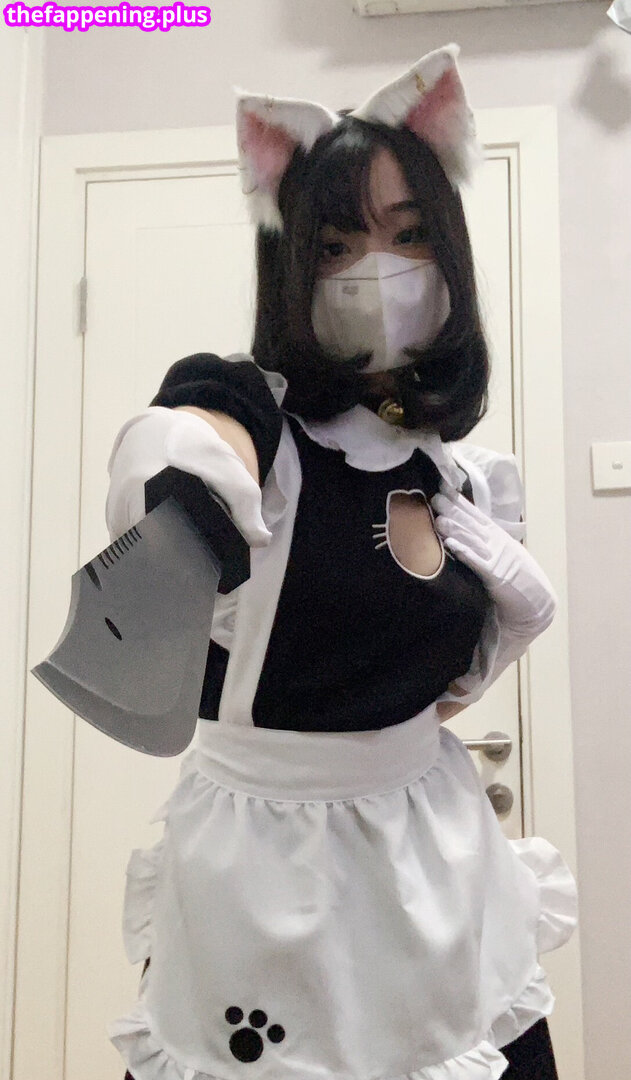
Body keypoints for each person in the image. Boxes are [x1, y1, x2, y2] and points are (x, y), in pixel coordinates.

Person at [106, 43, 578, 1080]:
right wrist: (184, 454)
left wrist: (494, 637)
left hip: (438, 859)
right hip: (266, 877)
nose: (379, 267)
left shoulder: (455, 474)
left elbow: (420, 692)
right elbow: (199, 417)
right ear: (292, 264)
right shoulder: (259, 429)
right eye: (336, 242)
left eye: (409, 235)